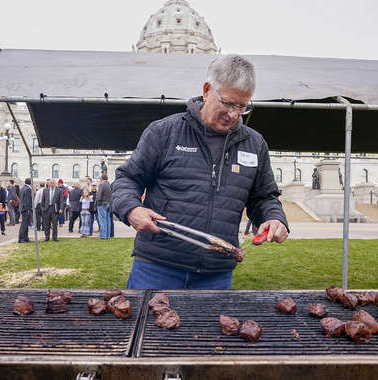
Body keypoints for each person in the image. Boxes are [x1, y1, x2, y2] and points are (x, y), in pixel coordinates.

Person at [112, 54, 289, 290]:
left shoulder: (254, 144)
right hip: (156, 266)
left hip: (216, 274)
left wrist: (274, 218)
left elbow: (264, 197)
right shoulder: (165, 132)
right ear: (207, 90)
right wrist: (132, 209)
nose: (234, 114)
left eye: (242, 107)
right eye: (227, 103)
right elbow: (127, 179)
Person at [96, 173, 113, 240]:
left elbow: (99, 195)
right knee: (107, 220)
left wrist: (98, 202)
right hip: (109, 204)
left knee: (102, 220)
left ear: (101, 178)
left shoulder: (101, 185)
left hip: (102, 204)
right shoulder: (110, 185)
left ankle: (103, 235)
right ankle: (107, 235)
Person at [18, 178, 33, 243]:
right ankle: (21, 238)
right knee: (24, 224)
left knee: (25, 224)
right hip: (26, 209)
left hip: (22, 208)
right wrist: (28, 209)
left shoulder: (23, 188)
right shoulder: (28, 189)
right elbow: (27, 200)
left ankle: (25, 237)